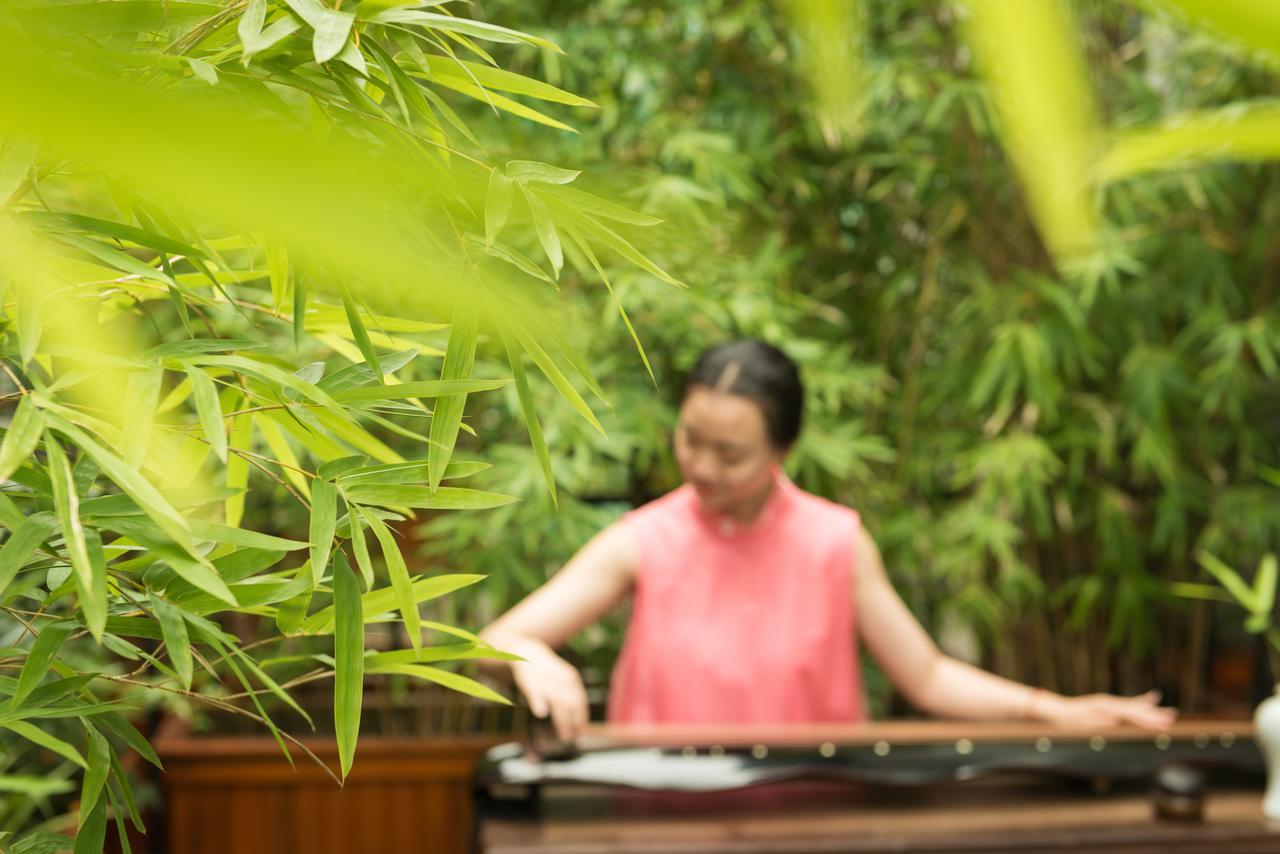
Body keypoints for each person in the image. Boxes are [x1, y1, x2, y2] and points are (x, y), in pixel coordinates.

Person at [480, 339, 1176, 741]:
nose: (702, 466)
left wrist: (1056, 710)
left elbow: (927, 676)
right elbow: (497, 638)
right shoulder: (644, 538)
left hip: (815, 814)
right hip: (663, 817)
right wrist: (534, 660)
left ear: (783, 450)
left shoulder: (836, 541)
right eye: (692, 439)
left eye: (732, 454)